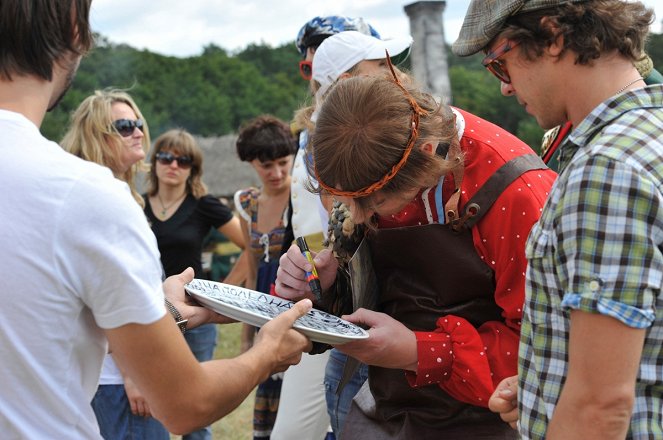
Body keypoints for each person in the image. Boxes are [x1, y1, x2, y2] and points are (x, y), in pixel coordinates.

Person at [0, 1, 312, 438]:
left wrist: (163, 310)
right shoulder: (85, 195)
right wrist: (268, 351)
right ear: (75, 30)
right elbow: (187, 405)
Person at [276, 64, 557, 438]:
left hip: (487, 420)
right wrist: (327, 286)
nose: (356, 214)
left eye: (374, 202)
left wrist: (419, 351)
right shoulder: (374, 159)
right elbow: (376, 286)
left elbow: (544, 350)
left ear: (426, 158)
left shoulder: (517, 193)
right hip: (383, 405)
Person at [452, 1, 663, 438]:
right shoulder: (648, 136)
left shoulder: (606, 171)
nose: (506, 88)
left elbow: (599, 405)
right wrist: (541, 391)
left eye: (499, 63)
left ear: (552, 36)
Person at [270, 16, 383, 440]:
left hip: (349, 300)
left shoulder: (348, 132)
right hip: (320, 294)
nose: (314, 60)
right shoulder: (316, 131)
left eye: (328, 47)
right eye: (308, 59)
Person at [299, 30, 412, 438]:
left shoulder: (323, 140)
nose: (395, 73)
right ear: (348, 83)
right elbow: (348, 233)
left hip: (370, 321)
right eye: (380, 65)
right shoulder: (334, 147)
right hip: (368, 321)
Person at [60, 89, 169, 439]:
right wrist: (132, 374)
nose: (137, 131)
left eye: (137, 123)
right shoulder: (99, 200)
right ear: (95, 135)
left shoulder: (115, 195)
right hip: (117, 378)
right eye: (124, 126)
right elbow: (106, 297)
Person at [144, 128, 245, 440]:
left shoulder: (204, 204)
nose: (173, 165)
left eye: (183, 160)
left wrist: (223, 291)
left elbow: (252, 246)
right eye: (166, 157)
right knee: (151, 401)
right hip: (148, 313)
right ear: (155, 161)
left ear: (193, 168)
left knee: (197, 406)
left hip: (195, 316)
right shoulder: (135, 204)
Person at [233, 115, 298, 439]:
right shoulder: (247, 203)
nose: (277, 173)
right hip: (262, 310)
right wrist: (247, 336)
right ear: (252, 164)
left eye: (284, 163)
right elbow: (253, 266)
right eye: (266, 165)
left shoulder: (303, 197)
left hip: (299, 314)